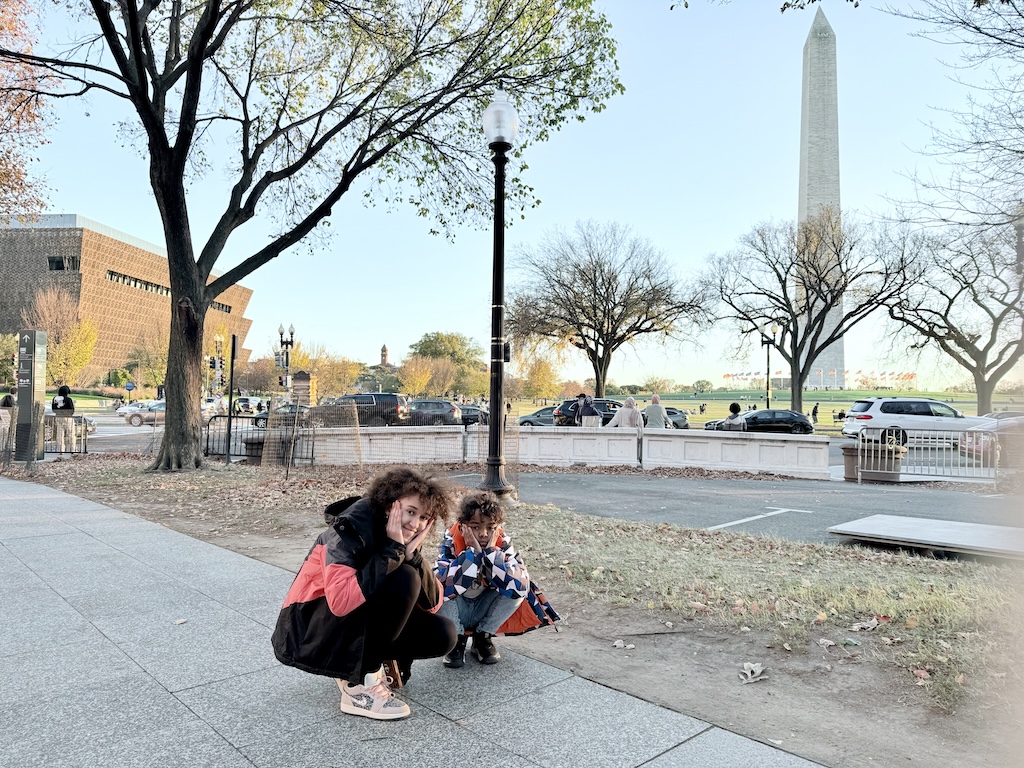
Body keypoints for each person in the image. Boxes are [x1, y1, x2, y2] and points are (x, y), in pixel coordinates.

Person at [272, 467, 458, 721]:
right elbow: (340, 603)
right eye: (411, 511)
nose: (415, 524)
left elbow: (434, 603)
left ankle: (372, 661)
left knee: (443, 633)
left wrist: (412, 556)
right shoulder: (349, 529)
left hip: (353, 621)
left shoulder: (399, 536)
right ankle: (358, 687)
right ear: (390, 506)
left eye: (424, 518)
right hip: (310, 629)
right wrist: (393, 552)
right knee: (404, 578)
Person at [434, 491, 559, 668]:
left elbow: (520, 586)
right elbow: (442, 585)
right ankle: (457, 640)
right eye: (475, 527)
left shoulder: (501, 541)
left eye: (490, 527)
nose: (483, 533)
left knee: (518, 587)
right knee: (437, 591)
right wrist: (473, 554)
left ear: (497, 526)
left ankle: (482, 637)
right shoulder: (452, 539)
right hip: (457, 609)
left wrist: (492, 554)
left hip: (485, 608)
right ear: (463, 526)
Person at [51, 385, 76, 452]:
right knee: (71, 434)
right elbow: (72, 410)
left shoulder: (55, 399)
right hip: (67, 418)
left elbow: (53, 409)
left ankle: (61, 450)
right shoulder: (68, 400)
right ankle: (73, 449)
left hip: (58, 417)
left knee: (59, 434)